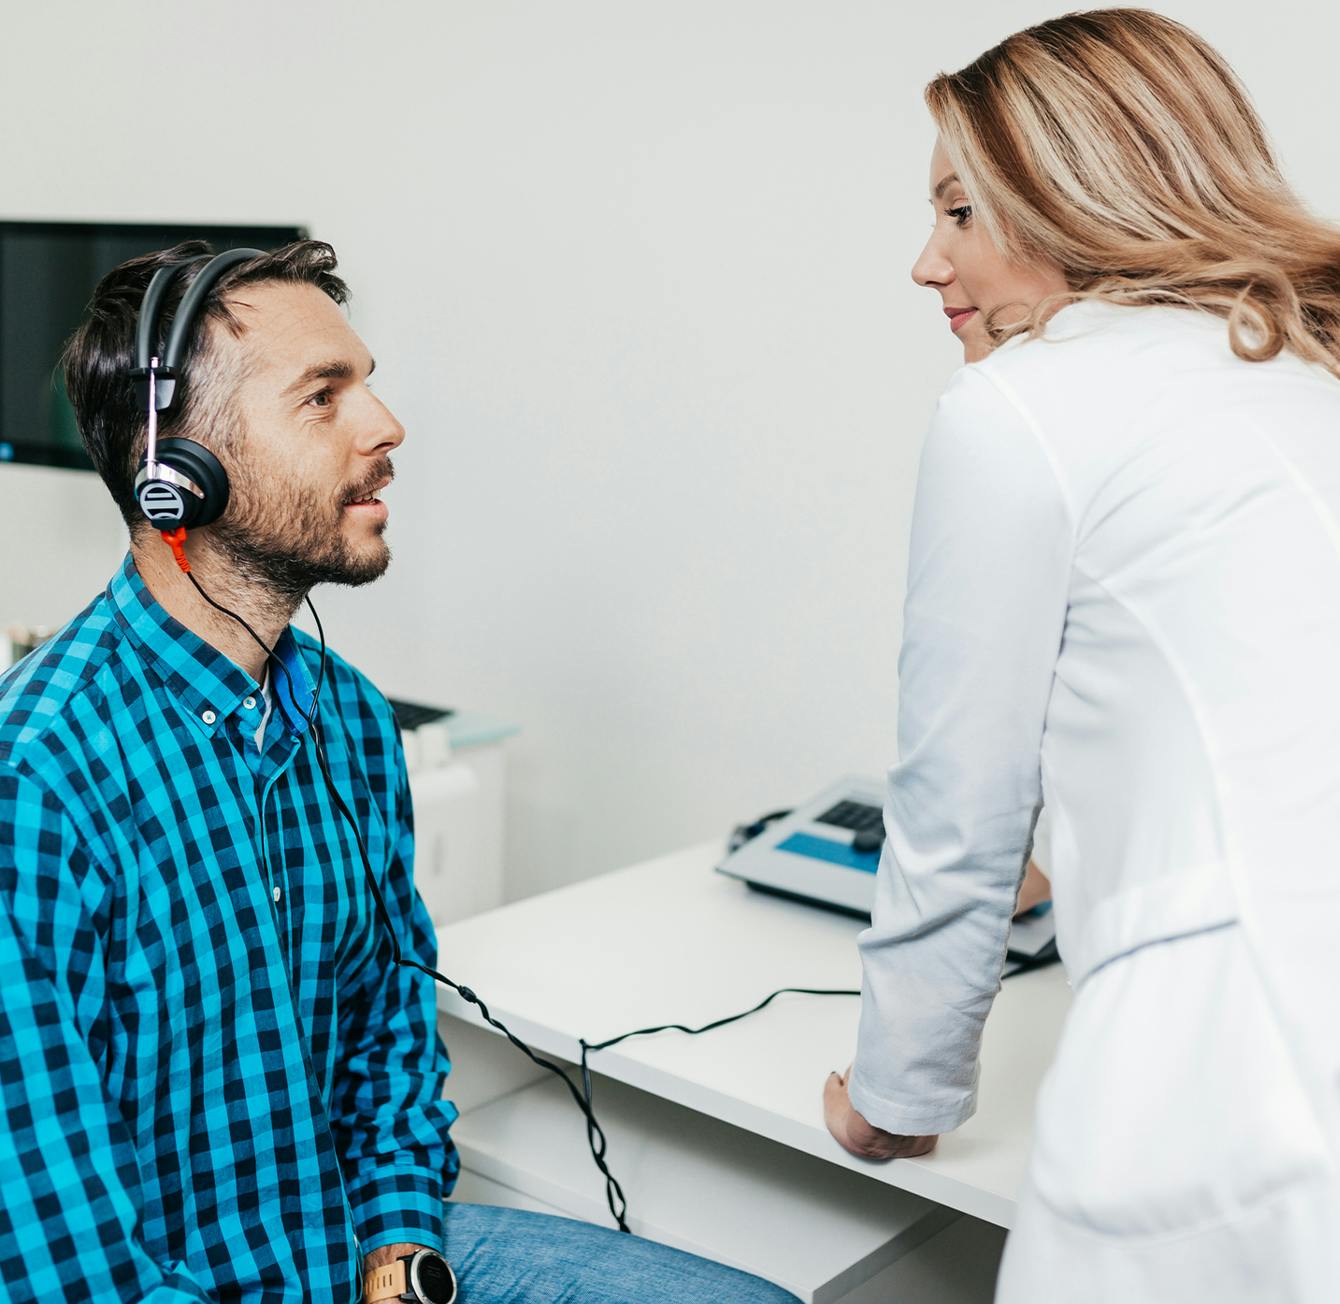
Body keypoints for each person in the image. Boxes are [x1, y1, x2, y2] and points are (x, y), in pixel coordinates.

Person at [0, 241, 798, 1303]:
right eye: (324, 398)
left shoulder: (350, 720)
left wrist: (398, 1253)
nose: (384, 425)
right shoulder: (40, 780)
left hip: (345, 1251)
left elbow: (387, 1040)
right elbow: (65, 1263)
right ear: (176, 464)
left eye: (365, 383)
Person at [821, 8, 1340, 1301]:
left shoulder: (1023, 410)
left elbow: (956, 812)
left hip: (1237, 1066)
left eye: (958, 211)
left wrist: (895, 1094)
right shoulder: (1300, 373)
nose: (925, 263)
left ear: (1073, 202)